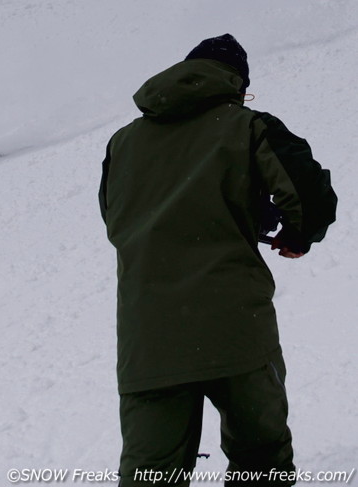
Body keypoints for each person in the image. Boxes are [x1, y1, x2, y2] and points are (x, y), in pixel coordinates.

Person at [98, 34, 337, 485]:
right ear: (235, 83)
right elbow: (308, 194)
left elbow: (117, 219)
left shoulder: (122, 143)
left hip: (148, 340)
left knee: (150, 475)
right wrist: (297, 235)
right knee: (260, 461)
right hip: (235, 329)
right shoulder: (246, 125)